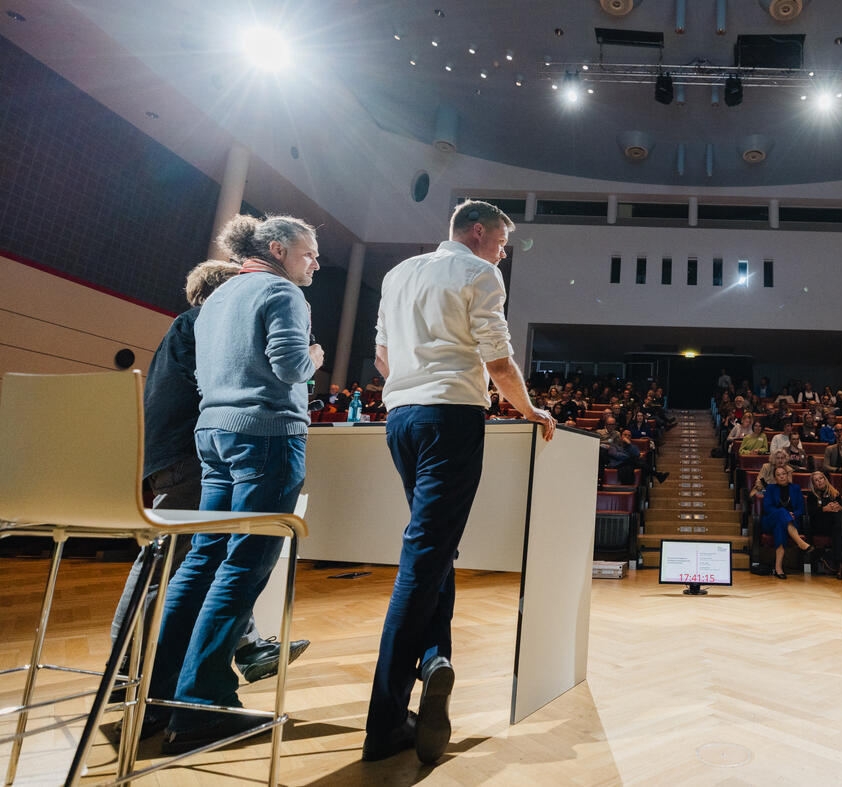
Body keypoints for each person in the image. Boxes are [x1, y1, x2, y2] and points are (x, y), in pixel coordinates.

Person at [365, 200, 556, 763]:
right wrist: (532, 411)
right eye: (500, 243)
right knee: (424, 557)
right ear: (478, 233)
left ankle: (434, 660)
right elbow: (497, 362)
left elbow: (381, 356)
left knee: (436, 550)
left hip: (400, 417)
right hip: (450, 417)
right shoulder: (479, 272)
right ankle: (383, 721)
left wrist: (414, 376)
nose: (502, 253)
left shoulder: (398, 274)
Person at [146, 215, 324, 754]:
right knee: (245, 562)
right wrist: (315, 356)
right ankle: (202, 705)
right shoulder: (280, 291)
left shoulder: (216, 300)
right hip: (266, 436)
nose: (315, 262)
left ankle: (161, 693)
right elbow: (292, 366)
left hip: (212, 436)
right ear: (278, 248)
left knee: (203, 558)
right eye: (309, 253)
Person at [109, 261, 309, 699]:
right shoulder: (207, 326)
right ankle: (126, 665)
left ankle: (246, 647)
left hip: (171, 452)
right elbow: (230, 386)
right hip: (192, 453)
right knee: (176, 560)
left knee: (207, 556)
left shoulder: (184, 326)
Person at [761, 465, 813, 579]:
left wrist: (793, 514)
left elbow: (800, 508)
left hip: (789, 521)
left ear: (787, 475)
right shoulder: (770, 488)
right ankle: (800, 542)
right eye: (778, 475)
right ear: (775, 478)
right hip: (770, 521)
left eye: (783, 474)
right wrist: (784, 513)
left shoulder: (795, 488)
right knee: (781, 512)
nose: (781, 477)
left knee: (780, 527)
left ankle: (778, 568)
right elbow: (767, 507)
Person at [806, 470, 842, 578]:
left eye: (821, 478)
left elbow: (841, 507)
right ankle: (841, 564)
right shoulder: (812, 496)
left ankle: (840, 564)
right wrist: (824, 509)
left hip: (834, 525)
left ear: (825, 479)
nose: (819, 481)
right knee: (839, 524)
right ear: (813, 484)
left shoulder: (835, 493)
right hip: (819, 525)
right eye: (816, 480)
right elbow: (811, 512)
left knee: (839, 523)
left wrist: (839, 507)